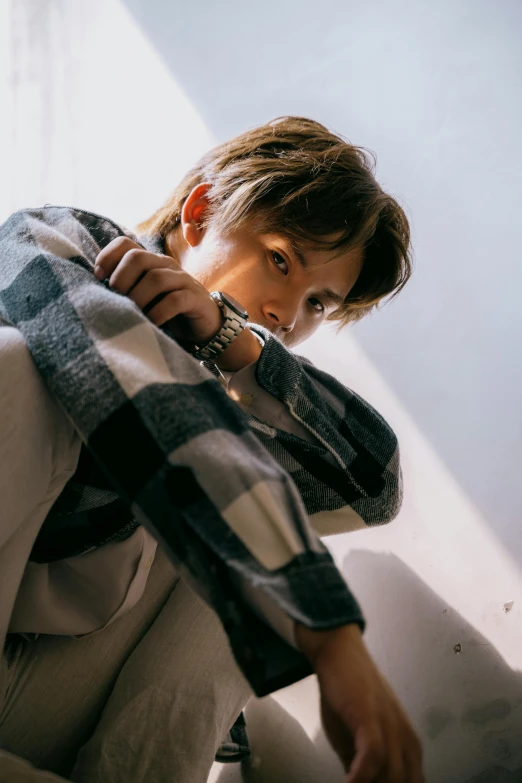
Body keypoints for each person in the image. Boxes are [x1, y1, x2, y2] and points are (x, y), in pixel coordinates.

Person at [0, 116, 423, 783]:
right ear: (199, 211)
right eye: (282, 261)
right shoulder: (55, 238)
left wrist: (236, 343)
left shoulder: (234, 390)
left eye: (318, 302)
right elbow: (119, 362)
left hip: (46, 690)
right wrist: (332, 634)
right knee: (17, 364)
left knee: (258, 495)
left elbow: (375, 481)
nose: (289, 312)